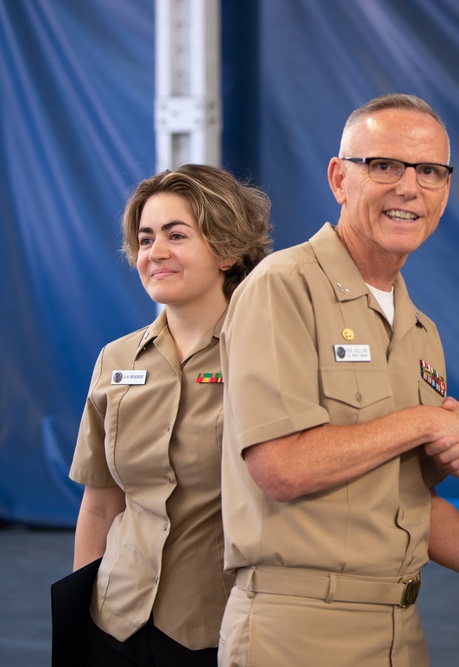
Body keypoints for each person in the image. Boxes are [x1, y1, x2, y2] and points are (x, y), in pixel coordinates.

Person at [217, 93, 459, 667]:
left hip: (400, 628)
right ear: (340, 178)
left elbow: (409, 498)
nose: (408, 188)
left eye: (430, 171)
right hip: (296, 631)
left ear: (445, 191)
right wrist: (422, 422)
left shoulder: (419, 330)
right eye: (384, 166)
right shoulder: (281, 287)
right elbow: (282, 469)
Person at [69, 164, 273, 665]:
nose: (154, 252)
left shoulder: (271, 356)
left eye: (176, 235)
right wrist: (78, 627)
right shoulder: (114, 361)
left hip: (223, 630)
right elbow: (100, 505)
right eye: (145, 238)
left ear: (227, 250)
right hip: (114, 621)